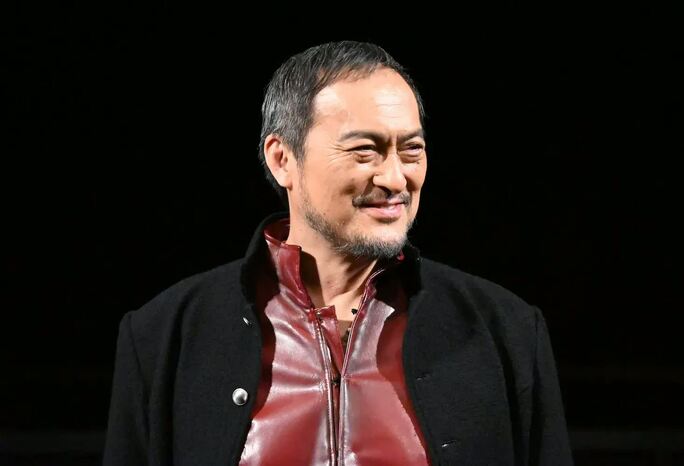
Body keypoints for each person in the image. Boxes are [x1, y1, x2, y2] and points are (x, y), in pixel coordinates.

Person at [103, 40, 574, 466]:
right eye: (365, 151)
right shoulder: (165, 336)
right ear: (282, 159)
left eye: (411, 150)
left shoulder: (505, 331)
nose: (395, 178)